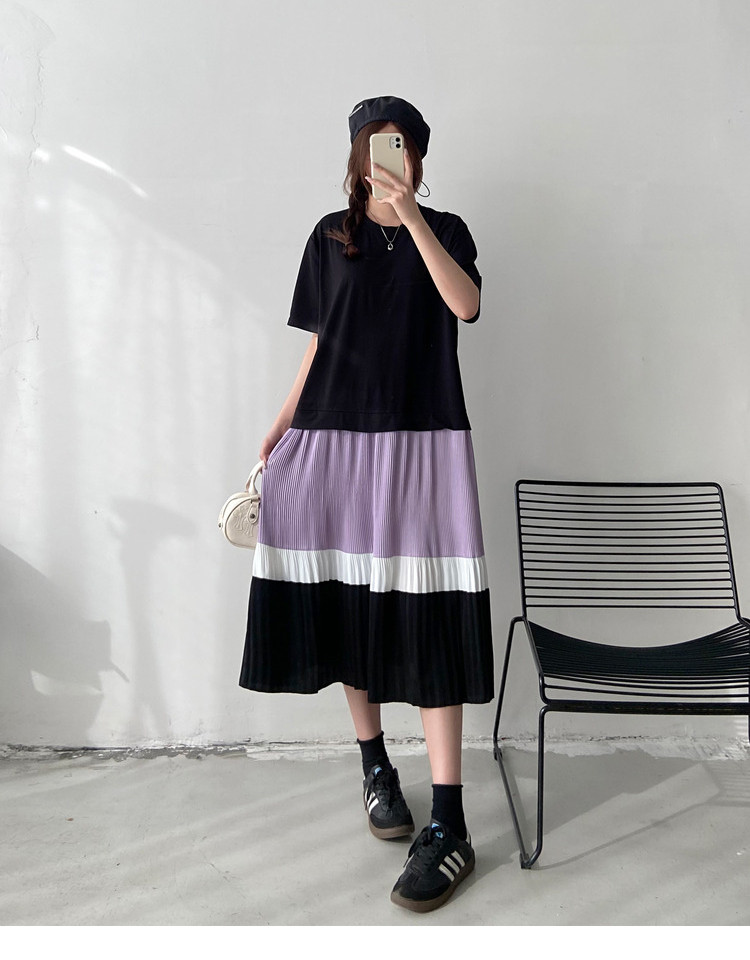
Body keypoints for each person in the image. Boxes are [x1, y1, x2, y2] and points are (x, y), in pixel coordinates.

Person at [239, 95, 493, 913]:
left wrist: (411, 216)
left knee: (433, 610)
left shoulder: (446, 230)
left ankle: (450, 821)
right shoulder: (329, 236)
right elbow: (322, 344)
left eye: (400, 145)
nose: (386, 157)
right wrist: (279, 429)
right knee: (351, 603)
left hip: (424, 444)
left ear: (418, 156)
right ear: (356, 157)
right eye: (374, 146)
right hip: (335, 443)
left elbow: (465, 305)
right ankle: (375, 765)